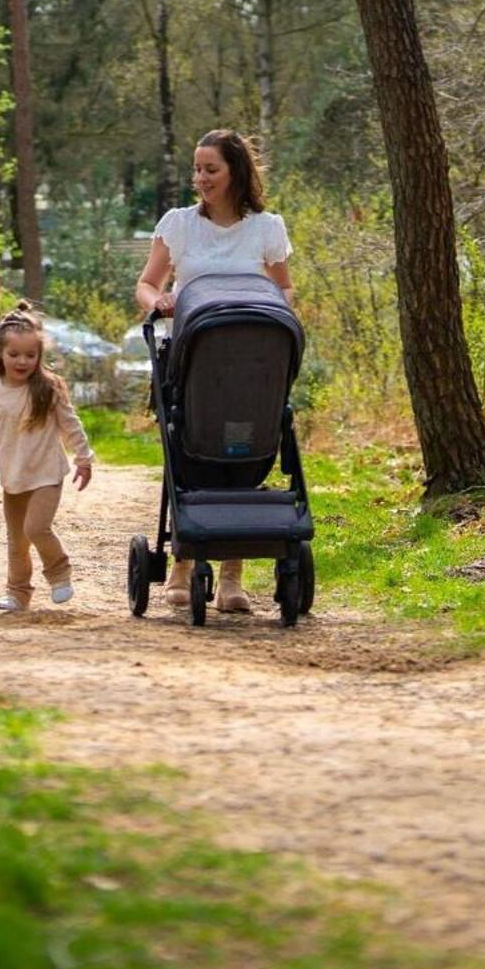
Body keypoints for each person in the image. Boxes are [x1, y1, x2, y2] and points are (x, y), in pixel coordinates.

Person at [133, 129, 295, 613]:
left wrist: (274, 316)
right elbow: (146, 283)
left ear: (236, 172)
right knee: (188, 449)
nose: (199, 178)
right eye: (197, 169)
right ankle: (182, 564)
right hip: (191, 357)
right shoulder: (179, 225)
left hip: (249, 361)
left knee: (246, 453)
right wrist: (159, 301)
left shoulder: (266, 227)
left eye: (211, 170)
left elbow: (285, 291)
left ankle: (232, 575)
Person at [0, 305, 95, 612]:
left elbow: (70, 424)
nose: (22, 361)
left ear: (39, 356)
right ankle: (17, 592)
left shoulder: (47, 388)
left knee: (36, 529)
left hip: (47, 474)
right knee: (17, 541)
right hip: (14, 477)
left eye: (30, 355)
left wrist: (83, 457)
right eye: (14, 354)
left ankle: (59, 573)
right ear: (0, 353)